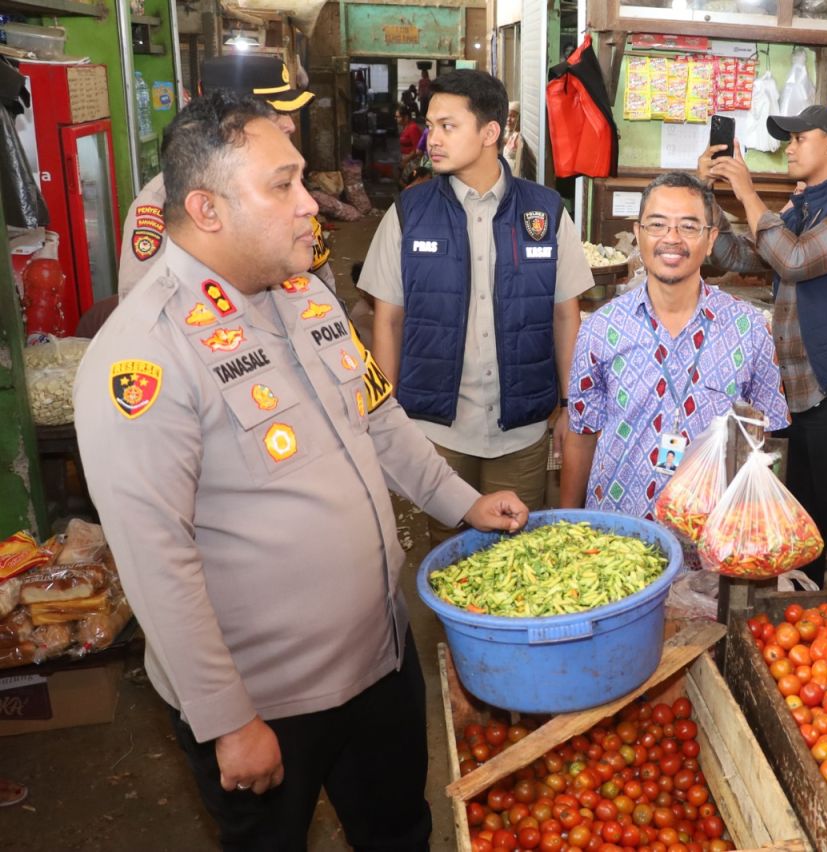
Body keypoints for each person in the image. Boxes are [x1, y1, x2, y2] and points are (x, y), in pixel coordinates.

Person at [74, 91, 529, 850]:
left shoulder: (304, 295)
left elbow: (380, 420)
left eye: (302, 181)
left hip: (381, 661)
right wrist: (227, 721)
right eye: (281, 185)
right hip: (270, 704)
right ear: (207, 209)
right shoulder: (143, 357)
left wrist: (461, 503)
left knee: (398, 832)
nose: (309, 205)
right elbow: (157, 559)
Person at [360, 70, 593, 547]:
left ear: (490, 133)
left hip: (521, 429)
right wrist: (384, 416)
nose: (432, 139)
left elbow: (566, 313)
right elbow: (389, 318)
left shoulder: (545, 213)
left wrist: (571, 405)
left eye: (448, 126)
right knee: (448, 552)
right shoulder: (409, 212)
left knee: (515, 549)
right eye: (431, 126)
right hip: (436, 429)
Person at [700, 105, 827, 589]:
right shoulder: (801, 208)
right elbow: (736, 254)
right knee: (801, 533)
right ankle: (808, 640)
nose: (789, 147)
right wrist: (708, 193)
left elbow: (793, 259)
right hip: (799, 393)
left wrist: (749, 194)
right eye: (786, 140)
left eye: (799, 138)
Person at [561, 172, 789, 519]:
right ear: (638, 234)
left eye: (688, 226)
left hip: (711, 537)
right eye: (657, 225)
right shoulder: (600, 329)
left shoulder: (749, 328)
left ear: (710, 239)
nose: (672, 239)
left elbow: (765, 437)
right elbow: (581, 435)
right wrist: (567, 523)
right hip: (617, 536)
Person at [117, 54, 336, 299]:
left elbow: (320, 279)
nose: (290, 125)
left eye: (288, 112)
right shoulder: (163, 201)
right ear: (222, 117)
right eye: (272, 111)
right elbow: (142, 306)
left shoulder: (285, 183)